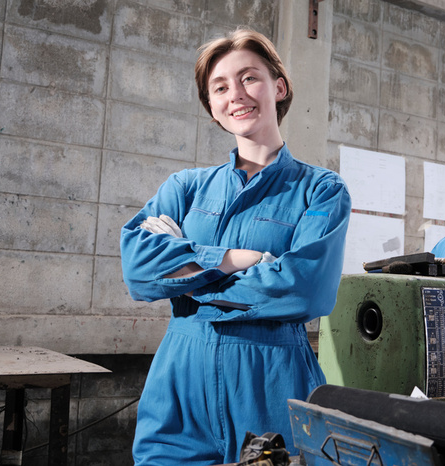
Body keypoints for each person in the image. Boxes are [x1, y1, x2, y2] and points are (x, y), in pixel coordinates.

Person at [120, 29, 351, 465]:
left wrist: (184, 278)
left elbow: (305, 289)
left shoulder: (320, 190)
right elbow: (138, 269)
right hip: (179, 382)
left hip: (272, 380)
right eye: (220, 87)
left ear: (278, 86)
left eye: (249, 78)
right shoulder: (185, 187)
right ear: (212, 107)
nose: (236, 95)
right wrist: (231, 260)